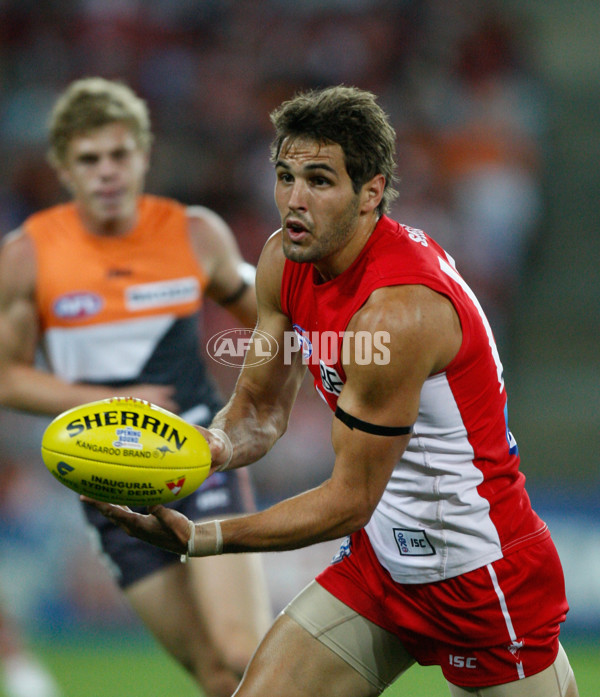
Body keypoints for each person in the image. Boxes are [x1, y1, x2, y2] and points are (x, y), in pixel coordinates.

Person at [87, 85, 577, 696]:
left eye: (319, 180)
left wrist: (206, 537)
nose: (293, 201)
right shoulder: (283, 261)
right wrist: (196, 446)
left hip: (480, 577)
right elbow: (261, 411)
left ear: (371, 192)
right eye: (285, 176)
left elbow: (350, 500)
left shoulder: (398, 313)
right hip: (383, 568)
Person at [0, 77, 272, 697]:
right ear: (64, 169)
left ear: (143, 156)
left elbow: (273, 318)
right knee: (209, 671)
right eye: (89, 159)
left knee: (240, 654)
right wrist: (117, 404)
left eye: (119, 155)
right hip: (105, 482)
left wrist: (260, 399)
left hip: (197, 459)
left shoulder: (194, 233)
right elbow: (6, 376)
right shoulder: (28, 255)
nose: (107, 172)